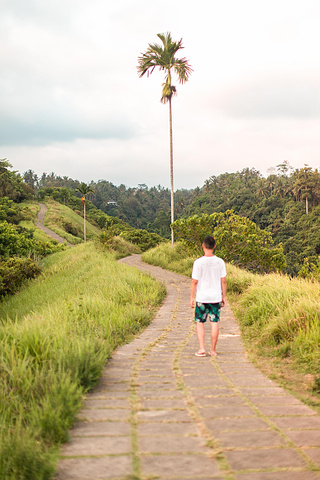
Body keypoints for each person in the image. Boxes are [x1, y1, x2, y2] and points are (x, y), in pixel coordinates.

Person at [190, 235, 227, 357]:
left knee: (200, 322)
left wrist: (191, 297)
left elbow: (194, 281)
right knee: (214, 322)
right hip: (215, 297)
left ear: (203, 246)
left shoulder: (198, 262)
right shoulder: (220, 262)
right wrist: (224, 296)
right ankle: (213, 350)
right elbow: (224, 281)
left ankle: (201, 349)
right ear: (214, 246)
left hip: (202, 298)